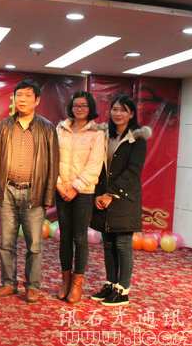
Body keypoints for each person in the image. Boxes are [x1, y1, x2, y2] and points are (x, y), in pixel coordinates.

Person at [0, 80, 59, 303]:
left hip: (33, 192)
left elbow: (53, 164)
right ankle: (8, 283)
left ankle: (32, 286)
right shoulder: (4, 126)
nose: (22, 99)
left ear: (37, 101)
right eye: (19, 95)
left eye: (28, 96)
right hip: (8, 190)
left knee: (34, 245)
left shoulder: (47, 128)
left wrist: (48, 196)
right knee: (6, 243)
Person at [90, 95, 150, 306]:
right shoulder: (105, 135)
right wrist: (99, 194)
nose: (118, 113)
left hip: (123, 199)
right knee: (108, 244)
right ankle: (110, 284)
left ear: (131, 114)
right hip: (103, 198)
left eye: (123, 110)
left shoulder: (137, 139)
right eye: (115, 109)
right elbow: (98, 166)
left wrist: (110, 194)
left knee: (123, 244)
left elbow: (133, 171)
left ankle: (123, 290)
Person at [55, 91, 105, 303]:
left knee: (80, 237)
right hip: (61, 190)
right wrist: (60, 185)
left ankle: (77, 285)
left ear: (90, 107)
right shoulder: (61, 129)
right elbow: (52, 158)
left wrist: (75, 188)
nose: (79, 109)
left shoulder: (97, 132)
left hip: (83, 192)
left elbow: (95, 165)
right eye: (76, 105)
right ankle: (65, 282)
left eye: (84, 105)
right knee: (64, 237)